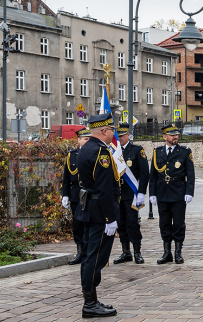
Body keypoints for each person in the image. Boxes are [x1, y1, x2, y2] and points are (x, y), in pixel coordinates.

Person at [73, 113, 120, 318]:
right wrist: (111, 218)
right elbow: (104, 189)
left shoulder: (85, 149)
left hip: (88, 209)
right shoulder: (100, 153)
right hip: (99, 212)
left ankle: (91, 299)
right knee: (95, 257)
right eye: (111, 130)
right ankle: (90, 303)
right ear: (103, 131)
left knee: (89, 255)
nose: (113, 133)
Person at [148, 124, 195, 265]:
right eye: (172, 134)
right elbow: (153, 175)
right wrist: (152, 193)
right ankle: (167, 252)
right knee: (164, 223)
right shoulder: (157, 152)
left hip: (178, 191)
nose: (175, 137)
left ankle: (178, 253)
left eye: (177, 134)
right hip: (162, 192)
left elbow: (190, 175)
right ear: (164, 136)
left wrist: (189, 192)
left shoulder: (185, 152)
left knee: (179, 223)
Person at [112, 123, 149, 266]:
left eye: (122, 136)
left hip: (131, 194)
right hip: (118, 194)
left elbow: (144, 173)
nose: (120, 138)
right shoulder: (114, 152)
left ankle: (137, 252)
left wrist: (141, 192)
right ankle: (125, 252)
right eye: (118, 136)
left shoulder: (136, 151)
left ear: (128, 135)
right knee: (120, 223)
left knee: (132, 223)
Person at [60, 127, 91, 266]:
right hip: (75, 194)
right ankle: (79, 251)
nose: (87, 141)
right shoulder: (71, 155)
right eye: (85, 139)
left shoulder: (93, 153)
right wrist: (65, 195)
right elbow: (66, 177)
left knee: (88, 223)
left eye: (89, 139)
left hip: (88, 193)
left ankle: (88, 251)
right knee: (77, 223)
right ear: (78, 140)